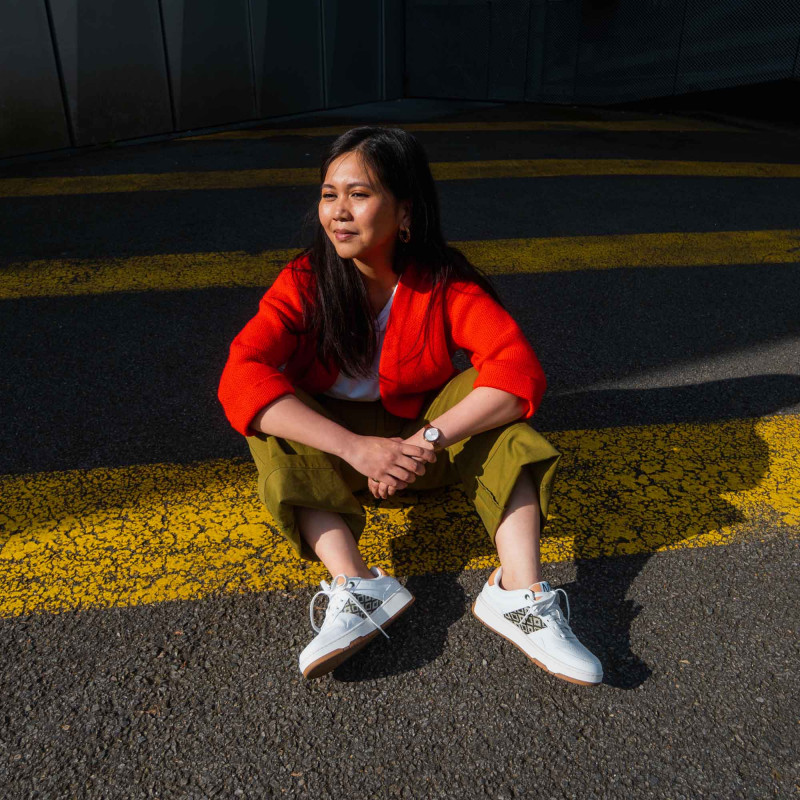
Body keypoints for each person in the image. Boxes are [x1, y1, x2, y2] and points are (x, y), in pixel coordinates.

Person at [218, 126, 602, 685]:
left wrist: (426, 441)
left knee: (504, 414)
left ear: (405, 213)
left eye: (360, 194)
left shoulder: (444, 280)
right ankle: (359, 587)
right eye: (329, 194)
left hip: (424, 450)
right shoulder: (303, 281)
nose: (339, 212)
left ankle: (519, 595)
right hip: (340, 464)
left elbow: (517, 369)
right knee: (270, 413)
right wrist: (357, 449)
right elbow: (240, 374)